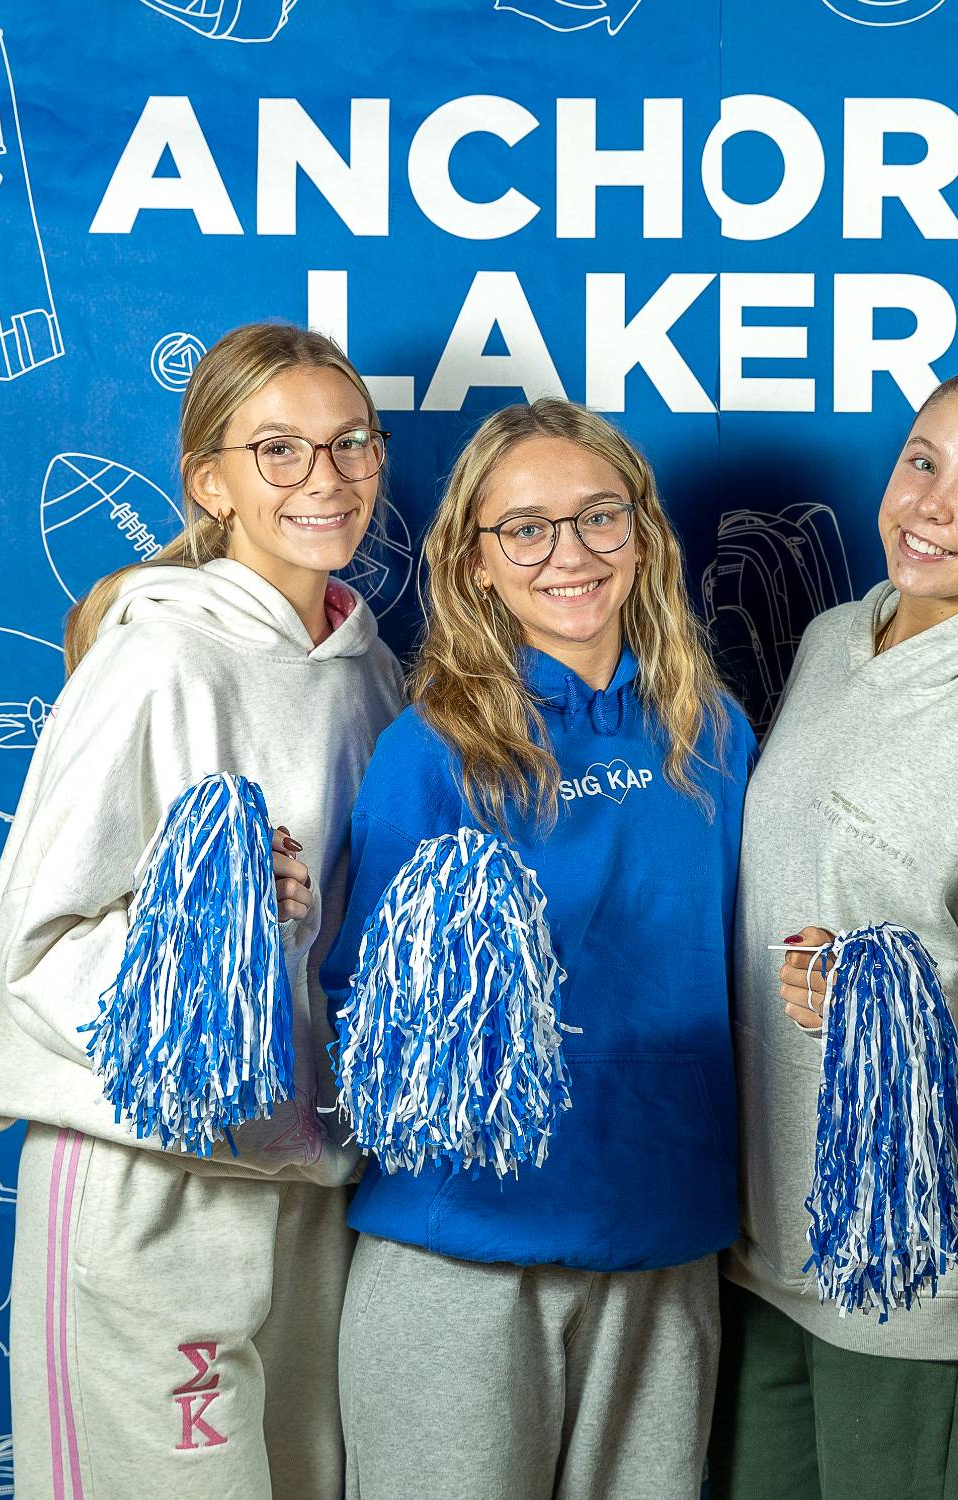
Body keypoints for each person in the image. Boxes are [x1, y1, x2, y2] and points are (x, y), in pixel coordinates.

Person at [0, 322, 406, 1498]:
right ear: (210, 482)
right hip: (147, 1171)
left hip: (304, 1171)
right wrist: (203, 948)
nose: (325, 477)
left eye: (349, 443)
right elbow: (29, 944)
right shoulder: (156, 657)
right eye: (278, 450)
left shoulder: (372, 670)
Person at [323, 398, 755, 1500]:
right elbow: (359, 1005)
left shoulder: (711, 732)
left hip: (666, 1237)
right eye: (525, 528)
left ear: (644, 533)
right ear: (474, 563)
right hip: (459, 1247)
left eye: (597, 517)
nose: (568, 554)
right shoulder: (432, 751)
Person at [710, 366, 958, 1500]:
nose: (929, 505)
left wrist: (894, 1002)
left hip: (932, 1268)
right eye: (921, 460)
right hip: (774, 1239)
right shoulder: (837, 639)